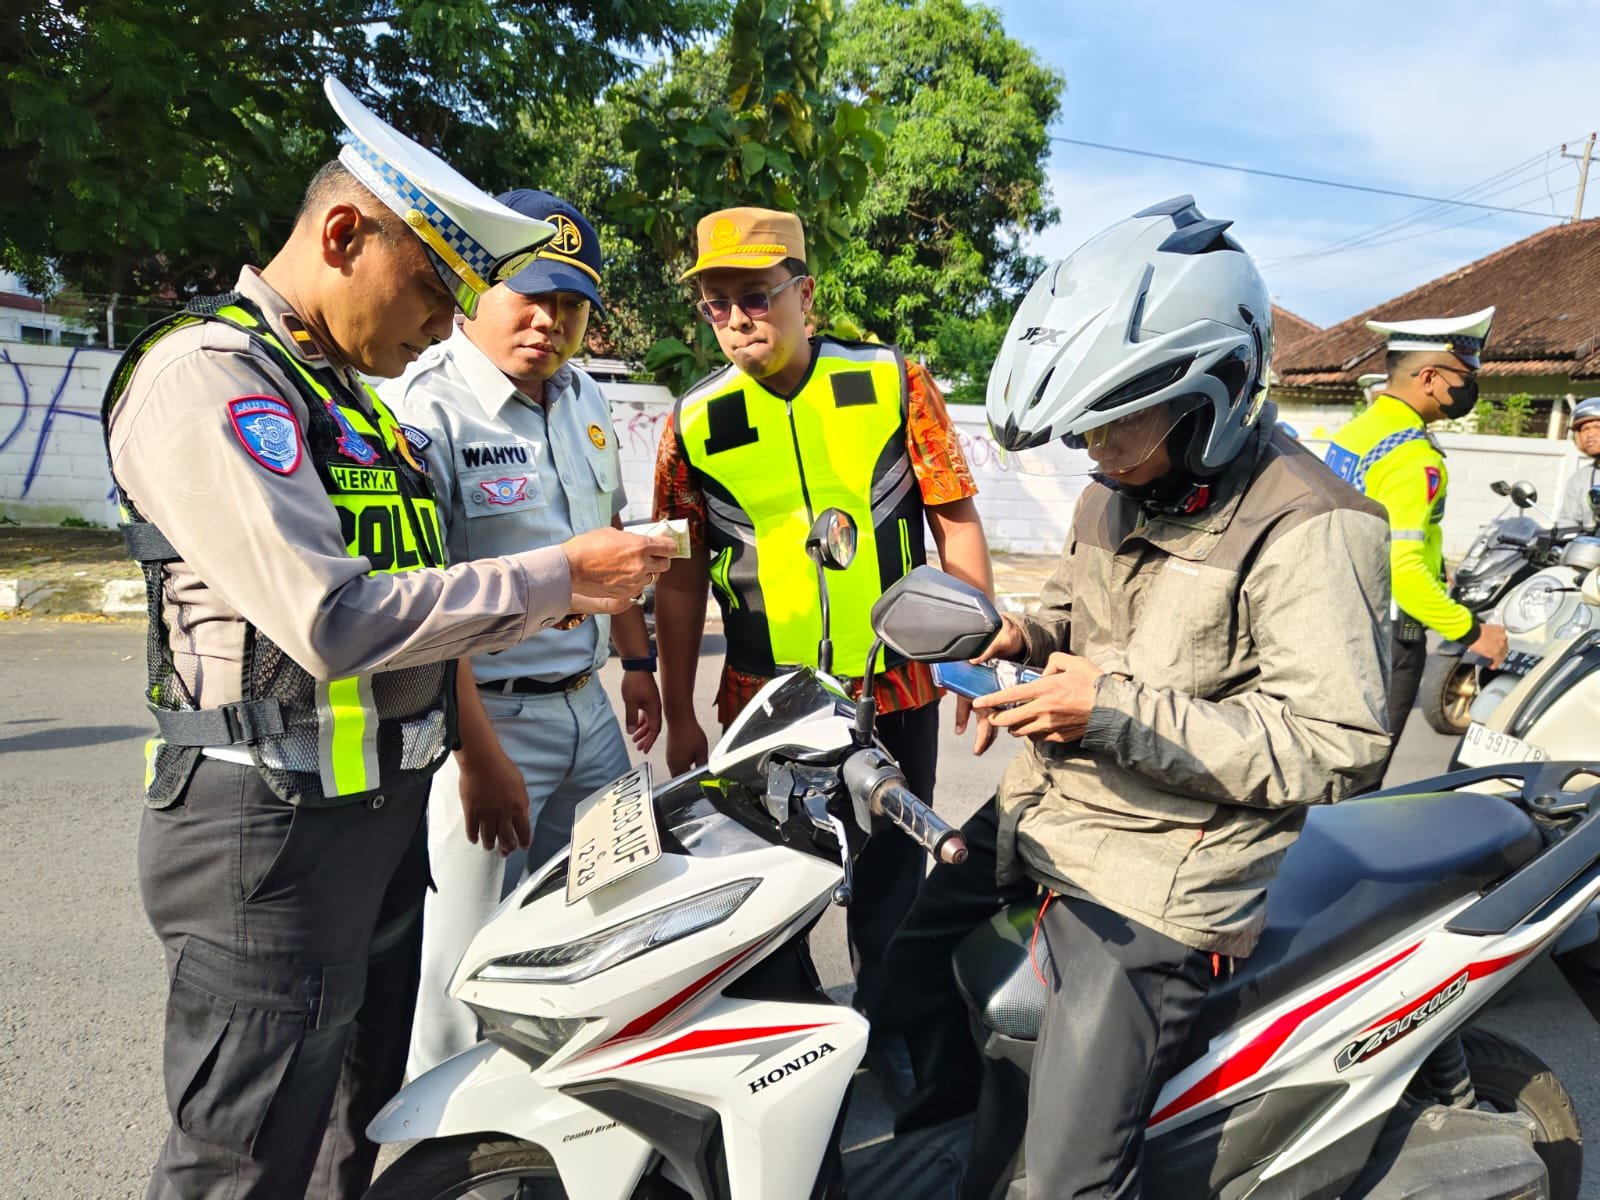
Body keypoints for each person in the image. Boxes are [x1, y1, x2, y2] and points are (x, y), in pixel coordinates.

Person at [101, 78, 674, 1200]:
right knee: (244, 1156)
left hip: (372, 819)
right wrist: (560, 574)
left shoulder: (351, 401)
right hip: (265, 837)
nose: (438, 319)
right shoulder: (209, 377)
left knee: (350, 1133)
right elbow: (332, 618)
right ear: (344, 234)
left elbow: (429, 595)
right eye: (430, 284)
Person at [879, 197, 1392, 1197]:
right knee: (905, 979)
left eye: (1118, 422)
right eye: (1088, 424)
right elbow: (1076, 609)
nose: (1096, 448)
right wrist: (1017, 632)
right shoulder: (1111, 495)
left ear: (1216, 391)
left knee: (1070, 1177)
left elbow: (1334, 743)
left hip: (1160, 876)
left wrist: (1104, 708)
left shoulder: (1314, 526)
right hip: (1048, 815)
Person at [651, 206, 993, 1027]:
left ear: (804, 292)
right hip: (762, 698)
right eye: (715, 303)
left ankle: (893, 1040)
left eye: (757, 296)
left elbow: (955, 520)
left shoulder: (891, 382)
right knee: (774, 891)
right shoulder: (692, 421)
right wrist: (676, 713)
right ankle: (797, 1042)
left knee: (892, 886)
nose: (736, 318)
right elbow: (680, 576)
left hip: (896, 685)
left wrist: (972, 661)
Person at [382, 189, 662, 1076]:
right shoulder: (426, 412)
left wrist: (641, 667)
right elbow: (423, 606)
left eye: (571, 304)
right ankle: (447, 1160)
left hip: (591, 717)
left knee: (613, 923)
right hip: (487, 723)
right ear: (474, 289)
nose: (550, 322)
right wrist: (477, 757)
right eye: (529, 296)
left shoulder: (584, 397)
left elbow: (608, 544)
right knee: (463, 965)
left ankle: (571, 1125)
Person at [1325, 307, 1508, 765]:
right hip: (1385, 638)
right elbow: (1402, 569)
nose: (1470, 388)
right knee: (1361, 778)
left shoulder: (1356, 433)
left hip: (1338, 619)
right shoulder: (1411, 455)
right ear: (1430, 377)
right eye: (1465, 376)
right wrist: (1472, 631)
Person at [1558, 396, 1600, 531]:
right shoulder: (1580, 478)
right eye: (1584, 429)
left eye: (1597, 427)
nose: (1590, 434)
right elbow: (1567, 524)